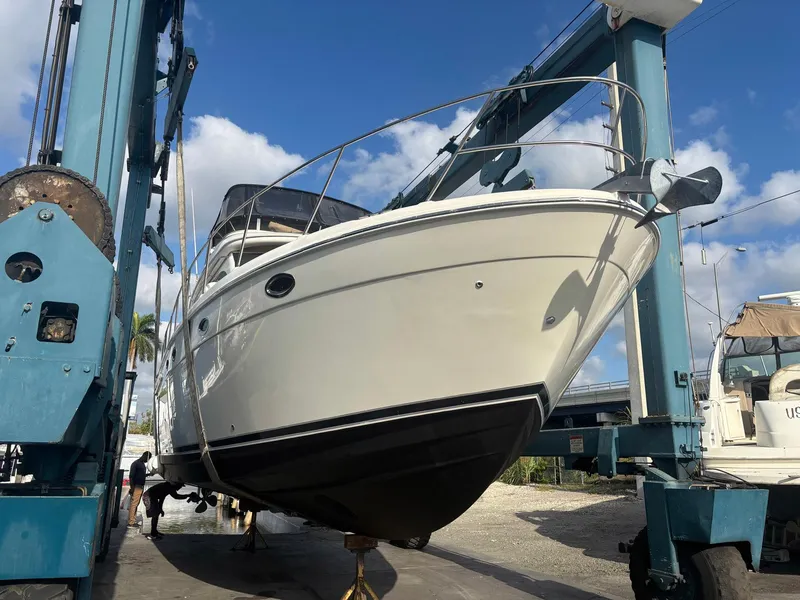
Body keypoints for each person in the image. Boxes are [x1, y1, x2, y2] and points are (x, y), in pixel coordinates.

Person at [127, 451, 152, 528]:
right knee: (134, 504)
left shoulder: (141, 464)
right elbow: (131, 476)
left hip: (140, 486)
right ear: (144, 456)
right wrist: (132, 487)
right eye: (148, 458)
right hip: (137, 486)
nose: (147, 460)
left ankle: (133, 520)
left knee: (136, 503)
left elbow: (141, 475)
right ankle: (131, 522)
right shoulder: (136, 464)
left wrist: (149, 474)